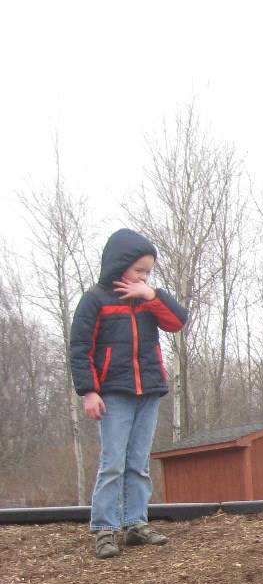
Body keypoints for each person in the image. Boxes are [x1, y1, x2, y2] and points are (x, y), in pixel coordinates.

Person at [69, 229, 189, 559]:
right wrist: (89, 391)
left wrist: (153, 294)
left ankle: (136, 524)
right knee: (113, 464)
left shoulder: (149, 300)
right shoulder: (95, 299)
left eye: (148, 272)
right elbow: (80, 349)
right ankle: (104, 529)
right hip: (113, 392)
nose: (144, 276)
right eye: (139, 270)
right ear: (119, 265)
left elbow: (178, 322)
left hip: (148, 390)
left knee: (138, 463)